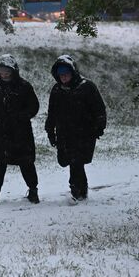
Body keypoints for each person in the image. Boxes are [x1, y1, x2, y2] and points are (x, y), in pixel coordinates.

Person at [44, 54, 106, 204]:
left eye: (66, 74)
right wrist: (50, 131)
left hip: (84, 133)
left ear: (73, 72)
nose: (63, 77)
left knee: (76, 161)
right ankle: (80, 191)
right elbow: (52, 112)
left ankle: (77, 192)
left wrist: (99, 127)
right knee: (71, 162)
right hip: (64, 133)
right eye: (60, 75)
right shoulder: (57, 90)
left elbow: (99, 109)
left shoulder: (87, 87)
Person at [0, 54, 40, 204]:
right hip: (2, 131)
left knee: (26, 162)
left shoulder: (24, 86)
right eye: (1, 70)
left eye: (7, 70)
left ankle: (33, 190)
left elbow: (33, 106)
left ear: (13, 70)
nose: (4, 74)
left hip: (21, 132)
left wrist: (20, 117)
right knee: (0, 163)